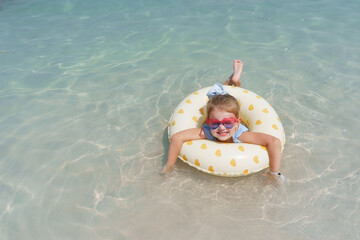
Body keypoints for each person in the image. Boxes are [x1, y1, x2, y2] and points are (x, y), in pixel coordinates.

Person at [162, 59, 283, 181]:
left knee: (229, 102)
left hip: (232, 124)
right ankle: (233, 81)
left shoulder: (241, 135)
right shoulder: (207, 131)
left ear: (237, 122)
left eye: (228, 123)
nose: (221, 128)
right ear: (208, 123)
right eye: (215, 123)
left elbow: (274, 142)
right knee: (221, 101)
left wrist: (274, 173)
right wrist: (169, 165)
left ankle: (235, 81)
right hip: (222, 118)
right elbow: (177, 137)